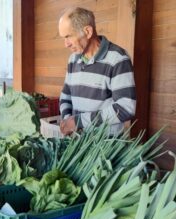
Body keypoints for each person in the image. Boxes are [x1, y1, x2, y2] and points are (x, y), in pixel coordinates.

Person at [58, 7, 136, 136]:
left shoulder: (118, 59)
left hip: (106, 148)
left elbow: (126, 108)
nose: (66, 44)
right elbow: (66, 96)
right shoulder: (73, 59)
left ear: (88, 32)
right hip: (77, 144)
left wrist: (78, 122)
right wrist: (67, 120)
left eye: (68, 36)